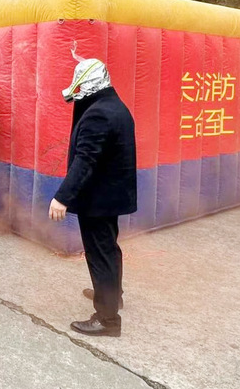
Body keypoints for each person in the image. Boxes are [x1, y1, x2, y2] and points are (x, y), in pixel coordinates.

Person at [49, 58, 136, 337]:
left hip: (98, 198)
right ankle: (112, 295)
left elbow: (86, 159)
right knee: (108, 249)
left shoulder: (99, 114)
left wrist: (62, 197)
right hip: (110, 196)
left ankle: (107, 319)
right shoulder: (115, 106)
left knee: (100, 254)